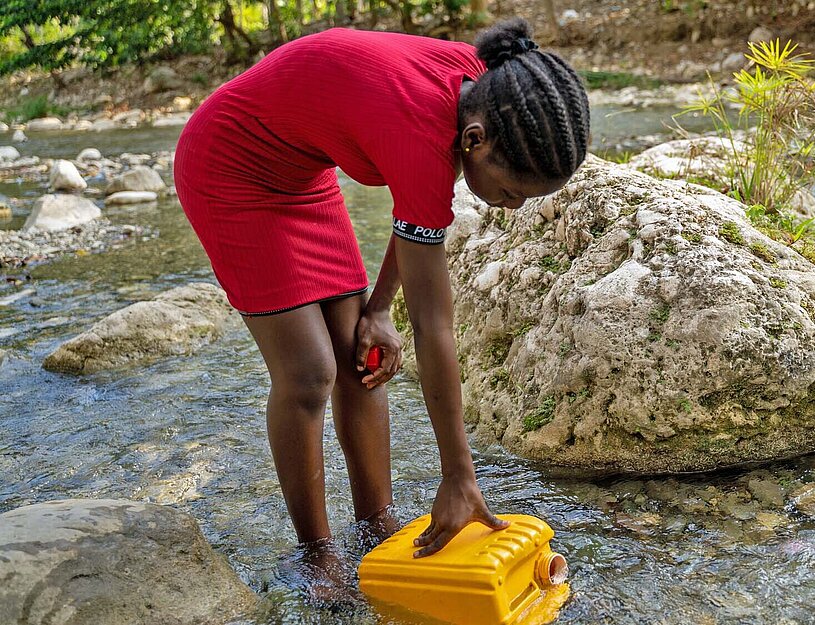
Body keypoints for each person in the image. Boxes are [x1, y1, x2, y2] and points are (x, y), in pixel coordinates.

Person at [173, 17, 590, 595]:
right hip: (231, 168)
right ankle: (315, 554)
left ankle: (375, 528)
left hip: (302, 175)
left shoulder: (489, 92)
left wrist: (378, 308)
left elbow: (419, 209)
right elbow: (434, 323)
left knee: (360, 360)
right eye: (512, 189)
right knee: (309, 373)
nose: (512, 207)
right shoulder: (426, 126)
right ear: (474, 142)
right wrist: (459, 476)